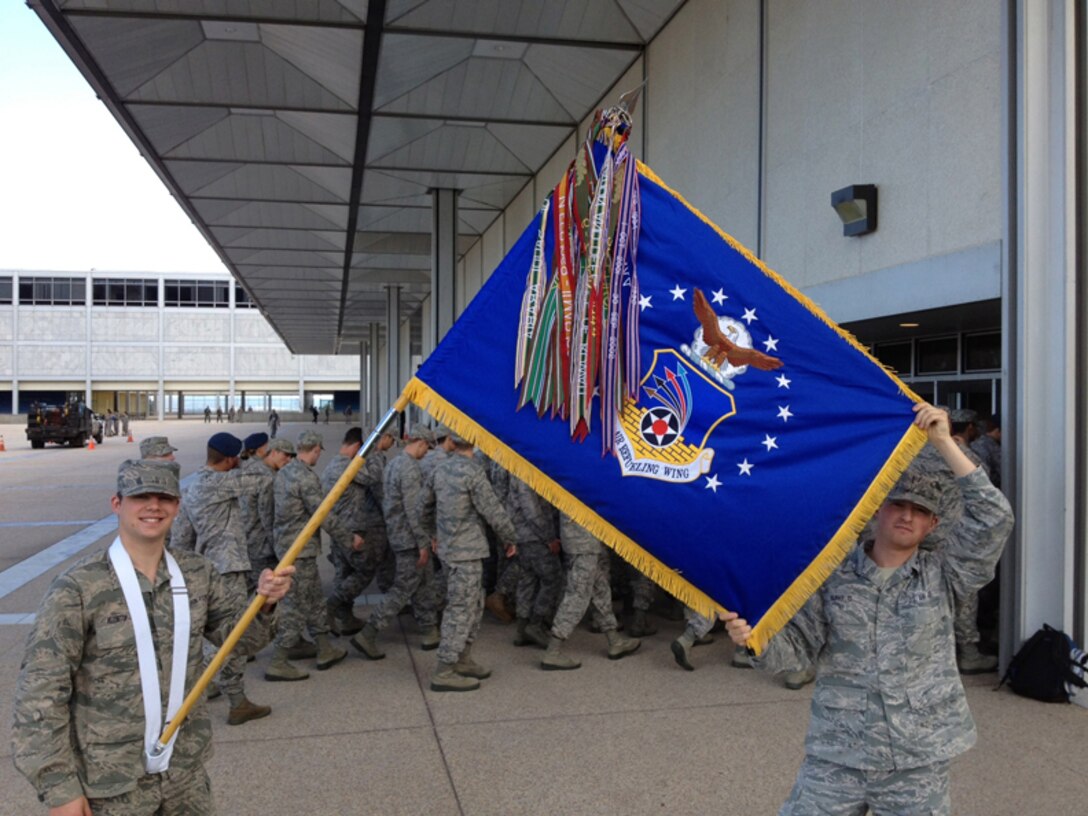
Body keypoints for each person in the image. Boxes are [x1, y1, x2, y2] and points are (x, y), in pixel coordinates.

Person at [723, 403, 1013, 816]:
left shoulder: (944, 575)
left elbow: (994, 519)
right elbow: (797, 653)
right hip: (837, 756)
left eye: (920, 511)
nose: (907, 515)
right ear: (878, 511)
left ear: (933, 525)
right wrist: (756, 640)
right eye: (898, 505)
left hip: (916, 763)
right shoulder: (831, 576)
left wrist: (944, 442)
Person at [11, 459, 293, 816]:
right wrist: (59, 788)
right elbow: (39, 694)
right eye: (140, 496)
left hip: (184, 778)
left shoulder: (197, 574)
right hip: (110, 786)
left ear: (177, 505)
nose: (153, 506)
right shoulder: (78, 587)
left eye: (165, 497)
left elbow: (241, 641)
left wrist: (264, 604)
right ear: (118, 504)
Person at [168, 433, 271, 726]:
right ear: (228, 459)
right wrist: (257, 458)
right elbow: (260, 481)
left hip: (207, 568)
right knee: (233, 636)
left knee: (219, 635)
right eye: (236, 456)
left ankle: (219, 693)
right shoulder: (219, 482)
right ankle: (227, 701)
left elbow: (182, 537)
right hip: (228, 568)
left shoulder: (194, 487)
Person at [418, 432, 518, 692]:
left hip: (451, 551)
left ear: (452, 442)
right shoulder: (473, 472)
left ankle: (462, 658)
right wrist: (510, 538)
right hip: (467, 552)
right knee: (461, 609)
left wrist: (433, 534)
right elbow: (493, 510)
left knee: (473, 605)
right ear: (475, 442)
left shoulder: (439, 470)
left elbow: (422, 508)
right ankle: (444, 669)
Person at [266, 430, 362, 681]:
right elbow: (322, 514)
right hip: (299, 551)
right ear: (316, 450)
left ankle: (324, 648)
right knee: (295, 605)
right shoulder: (305, 478)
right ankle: (278, 660)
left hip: (286, 546)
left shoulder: (284, 472)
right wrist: (348, 538)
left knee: (314, 599)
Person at [351, 424, 440, 660]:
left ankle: (429, 628)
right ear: (420, 443)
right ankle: (369, 633)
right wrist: (423, 541)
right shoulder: (409, 469)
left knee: (425, 583)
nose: (426, 453)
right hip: (410, 539)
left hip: (400, 535)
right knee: (402, 589)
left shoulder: (393, 464)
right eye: (426, 448)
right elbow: (414, 510)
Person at [542, 514, 641, 670]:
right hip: (583, 541)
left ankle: (615, 640)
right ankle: (553, 651)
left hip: (584, 539)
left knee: (599, 590)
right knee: (578, 594)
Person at [321, 426, 389, 636]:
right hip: (351, 530)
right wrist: (376, 450)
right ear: (359, 446)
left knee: (344, 573)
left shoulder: (333, 464)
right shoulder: (346, 466)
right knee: (366, 569)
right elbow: (374, 477)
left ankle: (345, 617)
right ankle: (330, 606)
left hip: (340, 529)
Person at [505, 474, 562, 649]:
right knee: (553, 578)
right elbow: (532, 510)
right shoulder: (525, 472)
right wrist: (549, 538)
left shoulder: (519, 467)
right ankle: (536, 624)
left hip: (522, 535)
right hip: (533, 536)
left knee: (527, 580)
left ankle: (522, 629)